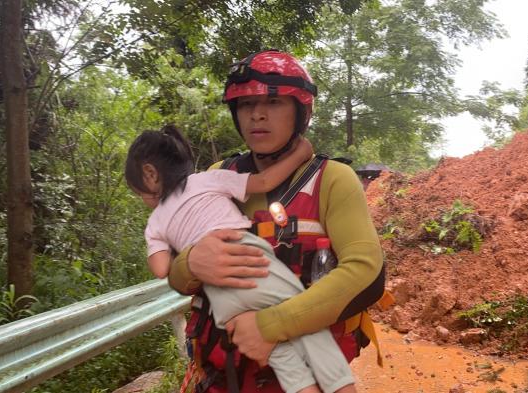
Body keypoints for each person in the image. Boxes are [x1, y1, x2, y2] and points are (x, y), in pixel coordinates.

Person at [167, 49, 385, 393]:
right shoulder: (217, 176)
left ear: (301, 112)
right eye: (245, 105)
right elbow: (178, 275)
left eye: (273, 103)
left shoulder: (331, 179)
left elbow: (366, 272)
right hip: (220, 379)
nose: (256, 115)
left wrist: (269, 326)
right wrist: (194, 262)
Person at [125, 125, 358, 393]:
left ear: (150, 174)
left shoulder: (154, 223)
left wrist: (181, 248)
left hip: (222, 298)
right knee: (309, 329)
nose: (142, 199)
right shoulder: (206, 179)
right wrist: (301, 153)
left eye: (138, 193)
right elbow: (263, 182)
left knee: (280, 354)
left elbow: (161, 268)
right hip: (252, 265)